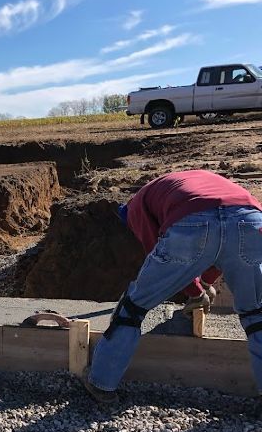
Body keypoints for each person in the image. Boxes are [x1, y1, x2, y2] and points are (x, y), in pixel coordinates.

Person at [85, 169, 262, 403]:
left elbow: (157, 250)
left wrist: (196, 292)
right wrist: (202, 287)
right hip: (250, 220)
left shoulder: (137, 206)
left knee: (133, 309)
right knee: (256, 314)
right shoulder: (199, 180)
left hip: (194, 222)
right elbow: (221, 246)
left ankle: (101, 383)